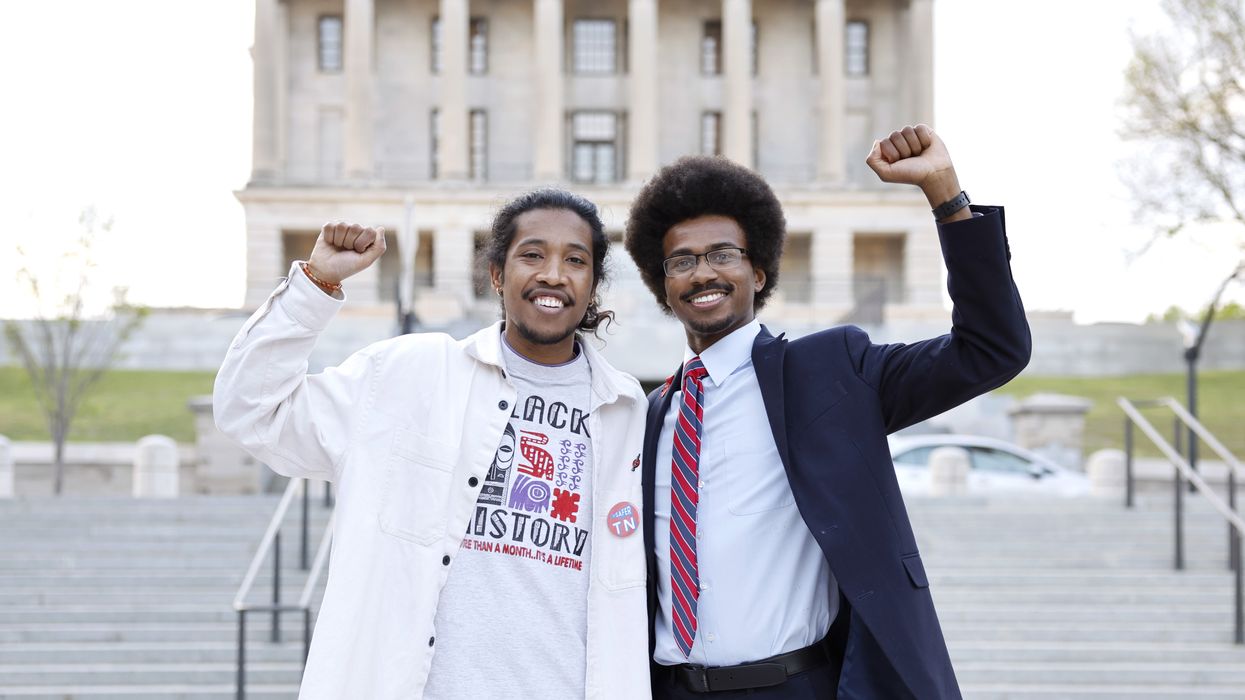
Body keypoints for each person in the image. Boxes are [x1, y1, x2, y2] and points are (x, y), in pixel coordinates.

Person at [623, 125, 1031, 699]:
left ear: (757, 272)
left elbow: (992, 348)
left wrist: (946, 195)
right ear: (663, 285)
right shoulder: (651, 415)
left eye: (722, 255)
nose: (702, 273)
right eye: (681, 261)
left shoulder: (830, 373)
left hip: (795, 684)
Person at [214, 189, 651, 699]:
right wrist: (314, 285)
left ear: (593, 284)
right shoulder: (408, 375)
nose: (553, 274)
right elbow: (252, 409)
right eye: (532, 255)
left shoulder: (627, 413)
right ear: (495, 274)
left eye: (575, 261)